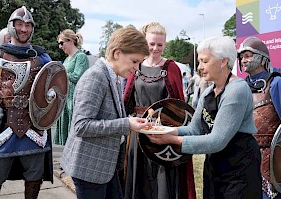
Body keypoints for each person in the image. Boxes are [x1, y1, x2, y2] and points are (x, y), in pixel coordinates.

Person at [146, 36, 262, 199]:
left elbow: (217, 140)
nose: (199, 67)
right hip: (215, 165)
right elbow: (195, 129)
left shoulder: (237, 90)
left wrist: (171, 140)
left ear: (223, 61)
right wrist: (164, 130)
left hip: (239, 168)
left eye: (204, 61)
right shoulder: (208, 92)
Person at [60, 27, 150, 199]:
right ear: (117, 53)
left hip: (103, 167)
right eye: (134, 61)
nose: (137, 68)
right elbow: (81, 126)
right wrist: (126, 124)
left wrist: (130, 120)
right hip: (89, 169)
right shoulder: (96, 77)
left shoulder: (113, 76)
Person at [0, 6, 55, 198]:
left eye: (28, 25)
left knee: (35, 174)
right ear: (11, 27)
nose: (24, 29)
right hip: (3, 123)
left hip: (34, 124)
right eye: (20, 24)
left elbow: (54, 85)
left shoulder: (41, 57)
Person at [123, 22, 196, 199]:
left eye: (160, 44)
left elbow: (179, 108)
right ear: (145, 42)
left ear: (165, 44)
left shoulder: (171, 68)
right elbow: (127, 101)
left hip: (162, 131)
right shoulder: (136, 66)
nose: (155, 48)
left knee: (162, 180)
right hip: (138, 131)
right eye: (152, 44)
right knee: (139, 177)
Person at [237, 36, 281, 199]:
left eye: (248, 55)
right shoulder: (239, 86)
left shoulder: (276, 83)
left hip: (270, 160)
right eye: (241, 57)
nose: (243, 60)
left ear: (262, 58)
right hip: (243, 157)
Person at [53, 29, 89, 145]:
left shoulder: (81, 57)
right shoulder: (67, 59)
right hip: (64, 99)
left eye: (61, 43)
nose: (60, 46)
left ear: (70, 41)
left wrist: (60, 74)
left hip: (74, 99)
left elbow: (78, 76)